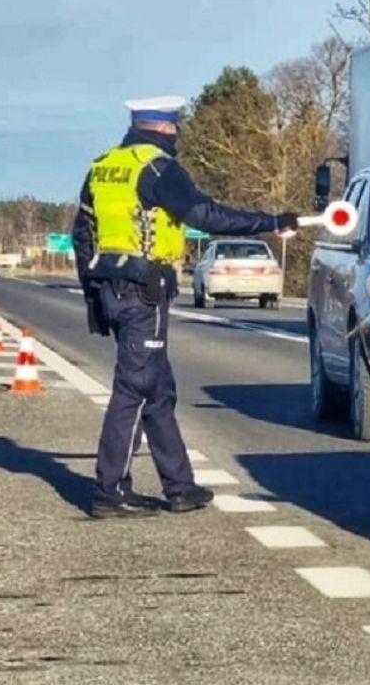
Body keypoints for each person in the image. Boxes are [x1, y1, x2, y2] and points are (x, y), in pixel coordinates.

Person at [72, 96, 299, 519]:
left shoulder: (103, 166)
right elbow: (207, 215)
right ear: (167, 128)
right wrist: (270, 223)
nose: (177, 136)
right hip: (144, 291)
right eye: (176, 129)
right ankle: (110, 490)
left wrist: (92, 293)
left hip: (111, 286)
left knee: (158, 389)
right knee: (135, 389)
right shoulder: (158, 168)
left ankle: (180, 486)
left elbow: (82, 233)